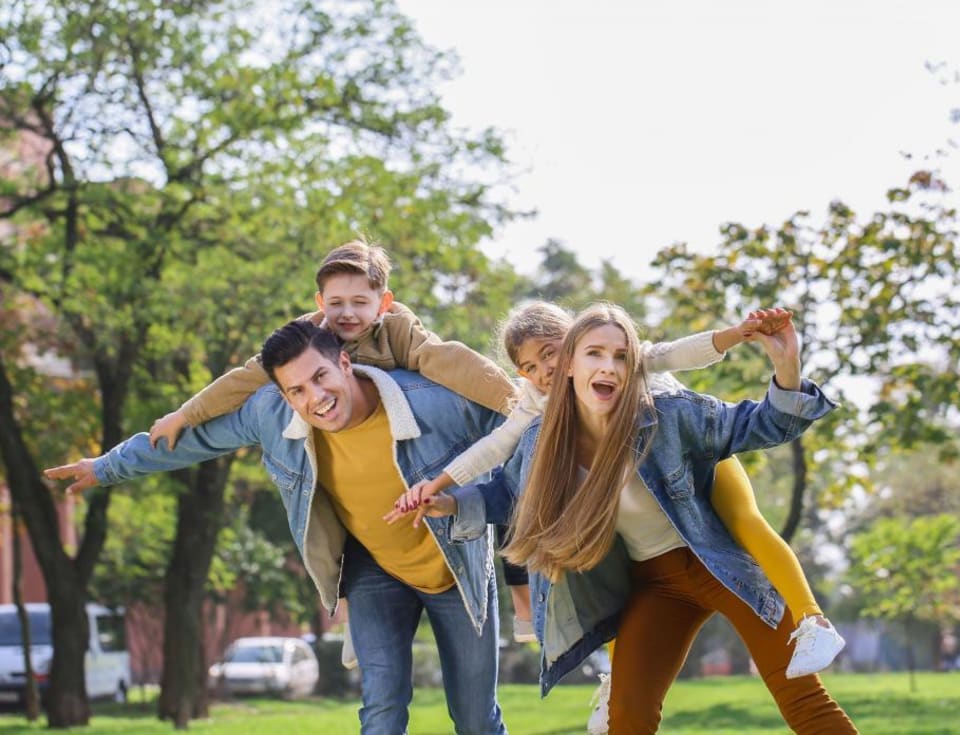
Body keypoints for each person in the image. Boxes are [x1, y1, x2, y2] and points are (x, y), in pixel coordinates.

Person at [402, 303, 858, 734]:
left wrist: (786, 366)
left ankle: (813, 620)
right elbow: (509, 493)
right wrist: (451, 503)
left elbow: (762, 424)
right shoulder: (543, 439)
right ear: (570, 365)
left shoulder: (669, 415)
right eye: (594, 354)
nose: (608, 367)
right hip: (655, 586)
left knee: (802, 700)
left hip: (720, 566)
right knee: (626, 719)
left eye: (621, 356)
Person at [45, 320, 509, 735]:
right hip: (375, 568)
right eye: (297, 391)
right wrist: (106, 467)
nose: (315, 399)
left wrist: (482, 505)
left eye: (320, 377)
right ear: (284, 396)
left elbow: (520, 430)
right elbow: (191, 440)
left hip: (457, 565)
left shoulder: (430, 400)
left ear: (344, 363)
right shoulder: (271, 414)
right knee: (382, 711)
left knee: (475, 719)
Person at [147, 239, 518, 669]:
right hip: (346, 463)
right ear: (320, 303)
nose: (347, 314)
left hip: (407, 453)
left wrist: (517, 405)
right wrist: (185, 414)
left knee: (504, 494)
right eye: (336, 303)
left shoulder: (400, 331)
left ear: (384, 303)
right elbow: (244, 379)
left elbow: (453, 362)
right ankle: (358, 617)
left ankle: (523, 593)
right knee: (342, 526)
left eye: (360, 302)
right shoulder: (308, 338)